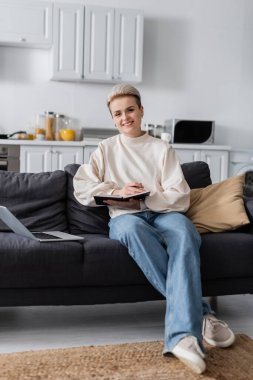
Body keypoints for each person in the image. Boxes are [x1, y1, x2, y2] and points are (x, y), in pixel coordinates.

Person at [73, 83, 235, 374]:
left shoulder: (161, 148)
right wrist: (119, 190)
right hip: (126, 217)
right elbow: (82, 188)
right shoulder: (105, 149)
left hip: (162, 212)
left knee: (186, 233)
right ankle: (195, 322)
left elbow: (181, 195)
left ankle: (184, 333)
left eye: (130, 110)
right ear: (113, 118)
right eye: (118, 113)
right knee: (133, 232)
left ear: (141, 111)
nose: (125, 118)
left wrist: (147, 195)